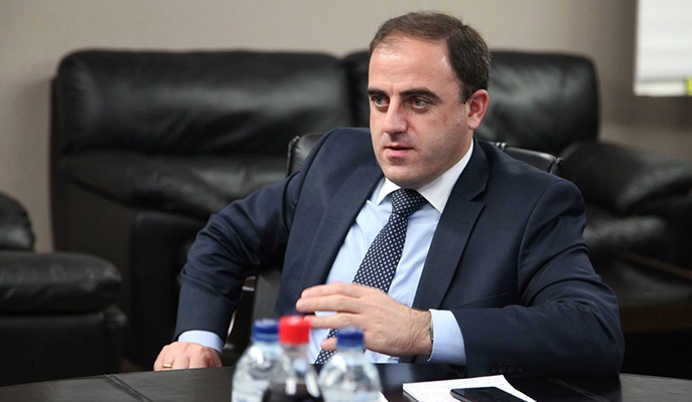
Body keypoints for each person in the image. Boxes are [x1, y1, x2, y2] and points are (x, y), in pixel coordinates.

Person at [155, 11, 624, 376]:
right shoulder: (337, 160)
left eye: (418, 101)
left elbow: (594, 330)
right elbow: (225, 237)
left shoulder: (531, 203)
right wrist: (198, 338)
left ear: (474, 108)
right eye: (380, 99)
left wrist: (423, 330)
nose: (391, 124)